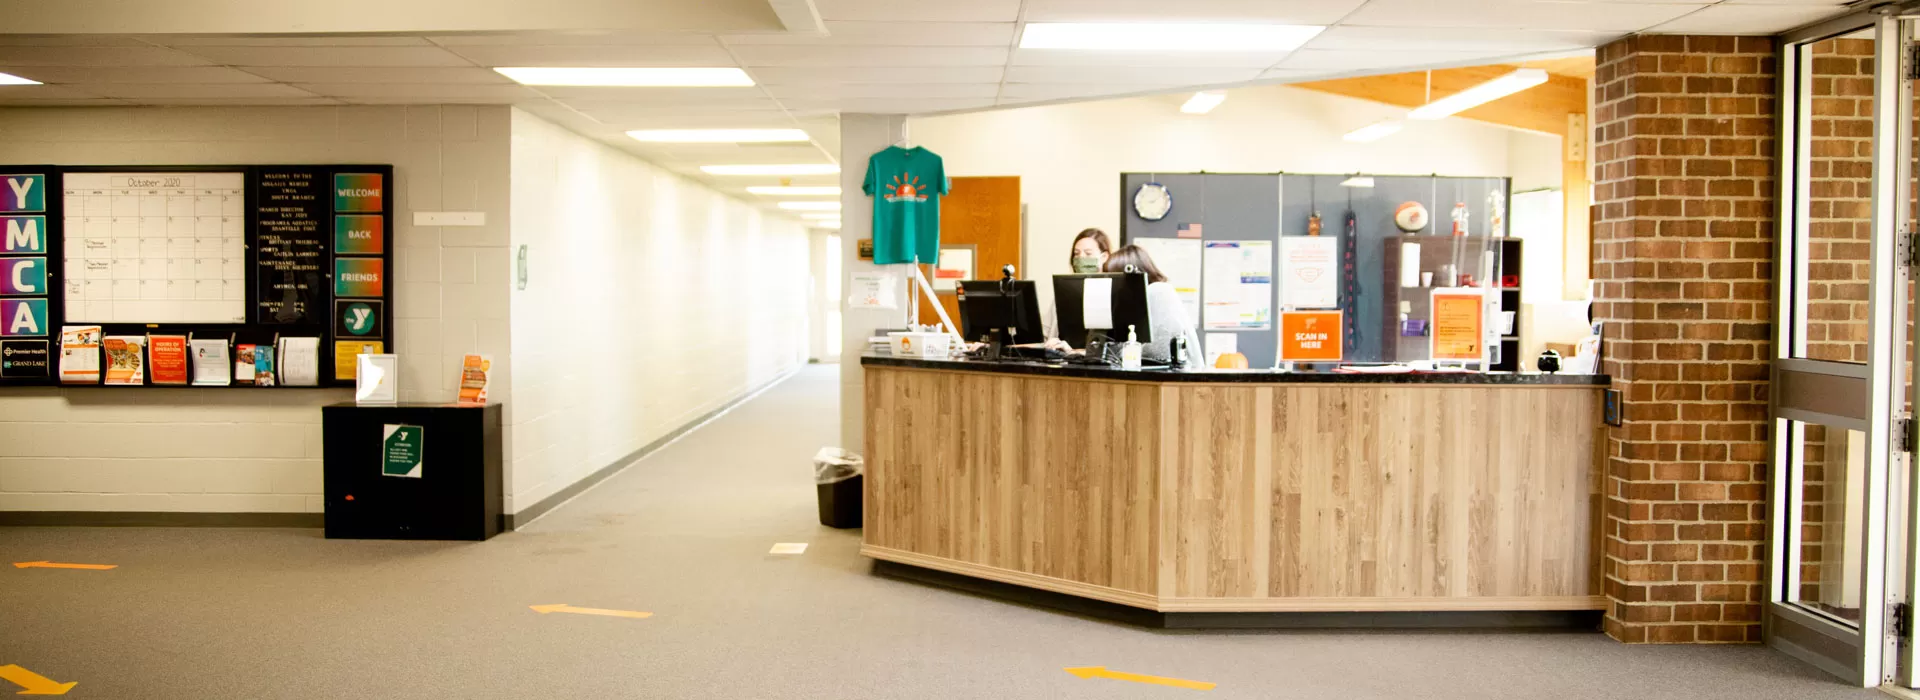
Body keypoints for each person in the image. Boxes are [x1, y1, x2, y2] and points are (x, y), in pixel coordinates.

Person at [1103, 244, 1201, 366]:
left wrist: (1116, 353)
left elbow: (1158, 352)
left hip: (1179, 381)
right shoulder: (1136, 303)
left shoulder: (1158, 291)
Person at [1043, 228, 1114, 346]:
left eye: (1088, 253)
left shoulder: (1111, 292)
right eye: (1076, 253)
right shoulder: (1063, 292)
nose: (1081, 258)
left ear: (1104, 257)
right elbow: (1045, 332)